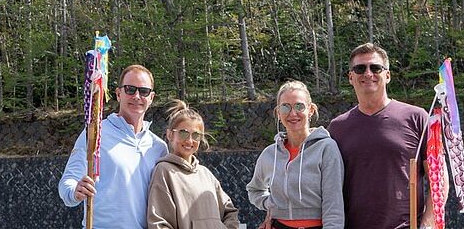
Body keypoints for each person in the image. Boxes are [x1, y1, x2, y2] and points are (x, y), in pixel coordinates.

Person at [327, 43, 447, 229]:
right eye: (360, 68)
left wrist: (428, 223)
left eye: (375, 68)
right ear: (351, 77)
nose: (368, 74)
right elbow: (324, 186)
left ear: (388, 75)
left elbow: (438, 176)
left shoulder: (417, 118)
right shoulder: (337, 128)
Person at [58, 64, 168, 229]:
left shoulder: (159, 147)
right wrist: (75, 191)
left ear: (151, 97)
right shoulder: (95, 134)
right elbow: (67, 183)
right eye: (130, 89)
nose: (137, 96)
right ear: (118, 94)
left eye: (143, 91)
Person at [247, 80, 345, 229]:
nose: (293, 113)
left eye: (299, 106)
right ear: (278, 113)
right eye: (285, 107)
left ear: (311, 110)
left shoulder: (326, 148)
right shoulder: (269, 154)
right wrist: (271, 204)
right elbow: (254, 189)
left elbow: (334, 204)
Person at [147, 100, 239, 229]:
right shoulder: (164, 171)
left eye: (196, 135)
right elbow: (159, 223)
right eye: (183, 133)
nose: (190, 140)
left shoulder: (206, 174)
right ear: (170, 134)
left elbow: (230, 212)